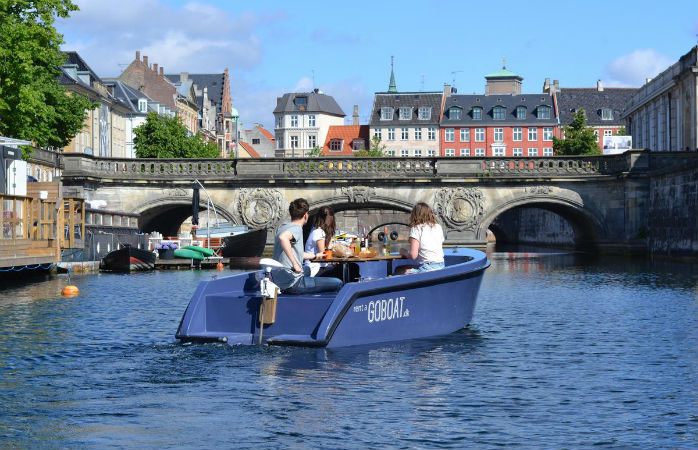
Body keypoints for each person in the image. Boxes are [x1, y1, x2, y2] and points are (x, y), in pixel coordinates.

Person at [270, 198, 343, 294]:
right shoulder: (297, 228)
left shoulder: (283, 227)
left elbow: (298, 253)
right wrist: (295, 264)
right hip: (293, 283)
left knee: (307, 269)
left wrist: (316, 256)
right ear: (305, 215)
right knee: (338, 282)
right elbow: (283, 238)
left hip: (279, 278)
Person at [304, 206, 359, 281]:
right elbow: (323, 254)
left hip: (321, 267)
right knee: (351, 268)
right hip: (315, 270)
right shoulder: (319, 232)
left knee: (352, 267)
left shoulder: (317, 230)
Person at [395, 202, 445, 275]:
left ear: (414, 215)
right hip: (441, 265)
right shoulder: (438, 227)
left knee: (399, 271)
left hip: (427, 268)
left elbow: (413, 256)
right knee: (401, 268)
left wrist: (404, 252)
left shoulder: (416, 229)